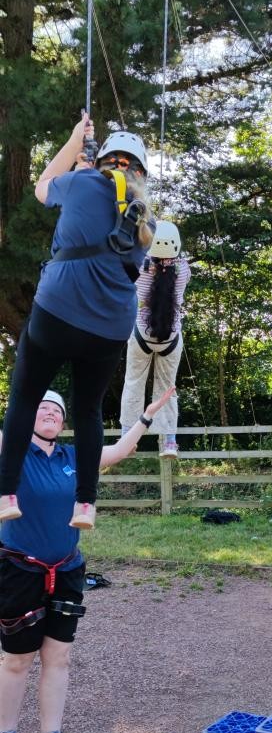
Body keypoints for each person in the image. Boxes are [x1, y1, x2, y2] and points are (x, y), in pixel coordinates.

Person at [0, 385, 175, 733]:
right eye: (41, 407)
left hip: (67, 570)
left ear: (64, 421)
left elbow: (118, 451)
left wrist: (147, 415)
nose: (50, 413)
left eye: (56, 410)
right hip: (20, 570)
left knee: (58, 657)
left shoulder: (73, 457)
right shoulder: (10, 451)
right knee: (17, 660)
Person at [0, 116, 155, 531]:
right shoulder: (147, 224)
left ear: (103, 162)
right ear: (141, 174)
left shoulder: (81, 183)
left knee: (25, 397)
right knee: (88, 410)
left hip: (58, 311)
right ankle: (85, 503)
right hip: (109, 329)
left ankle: (6, 493)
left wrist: (74, 143)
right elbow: (112, 207)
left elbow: (42, 187)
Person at [120, 220, 191, 458]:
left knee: (133, 383)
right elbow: (174, 272)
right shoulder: (183, 270)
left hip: (142, 334)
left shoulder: (139, 266)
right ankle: (169, 442)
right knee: (167, 388)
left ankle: (128, 439)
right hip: (171, 337)